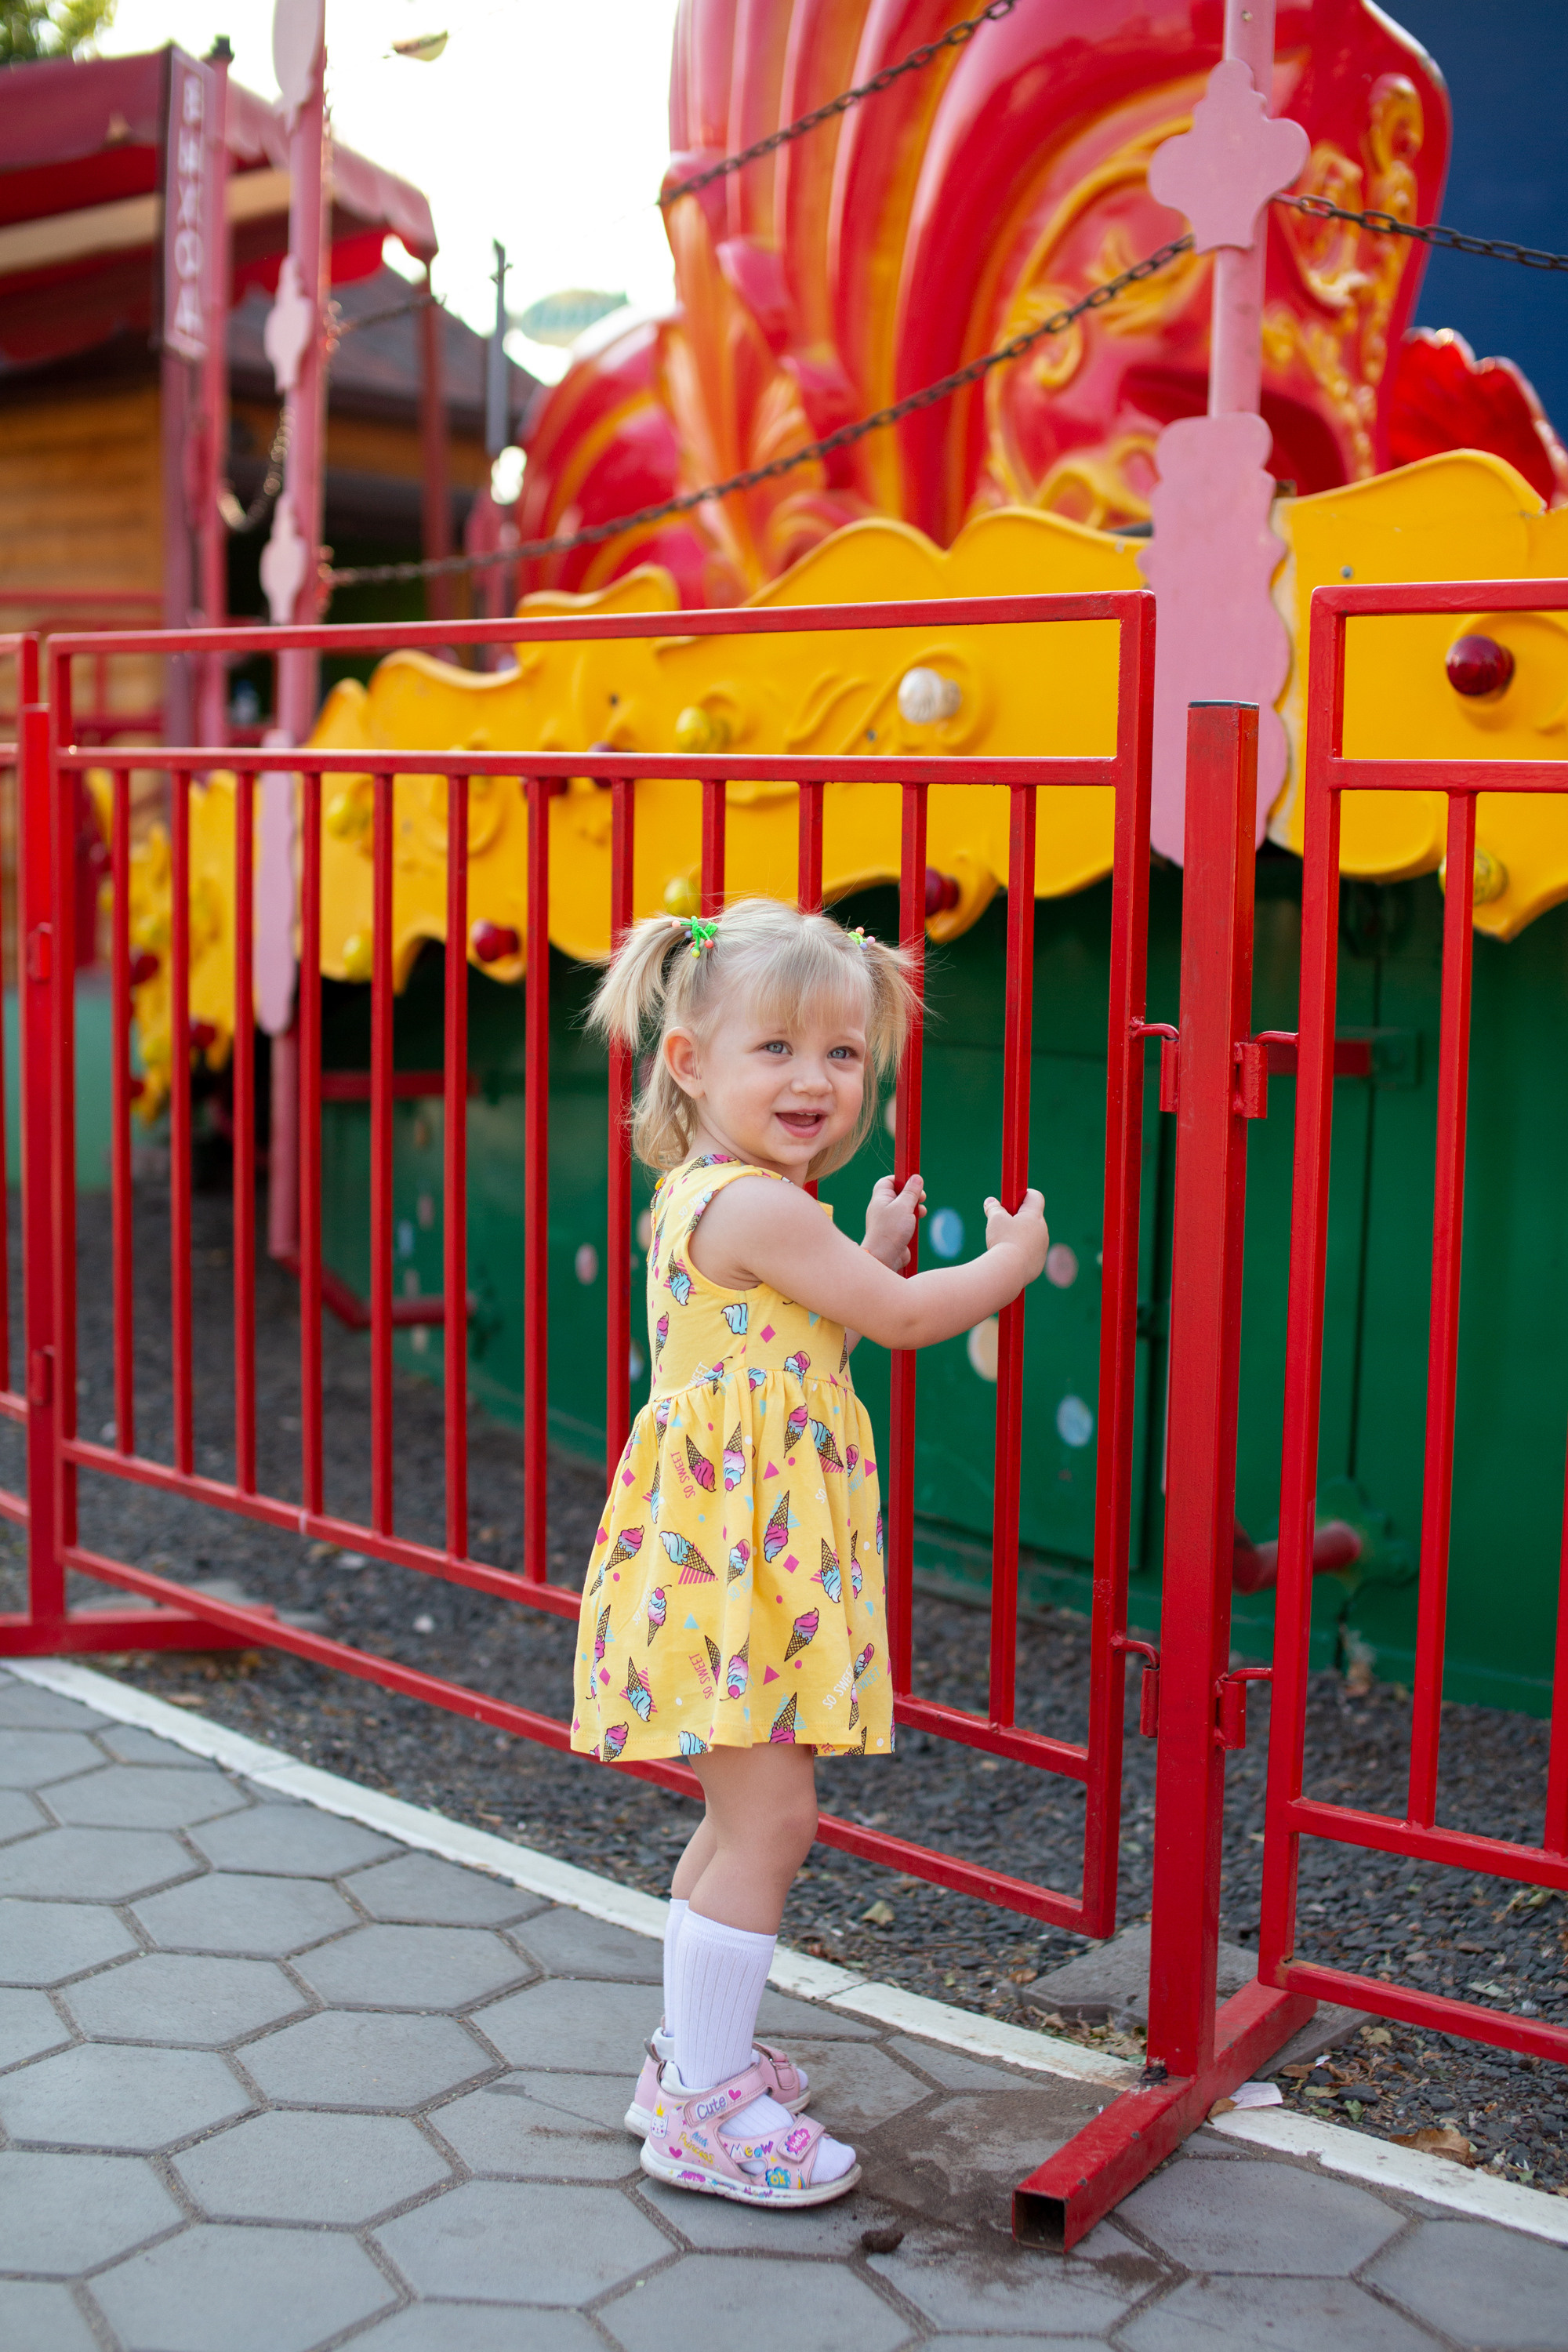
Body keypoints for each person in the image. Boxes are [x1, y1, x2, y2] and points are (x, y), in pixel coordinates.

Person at [572, 898, 1050, 2206]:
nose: (815, 1081)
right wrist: (1006, 1264)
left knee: (740, 1818)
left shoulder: (733, 1201)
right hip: (735, 1566)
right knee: (773, 1820)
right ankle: (706, 2115)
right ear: (689, 1063)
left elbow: (810, 1316)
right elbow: (891, 1321)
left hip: (734, 1560)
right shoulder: (763, 1212)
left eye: (844, 1056)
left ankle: (690, 2062)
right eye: (776, 1050)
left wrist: (860, 1248)